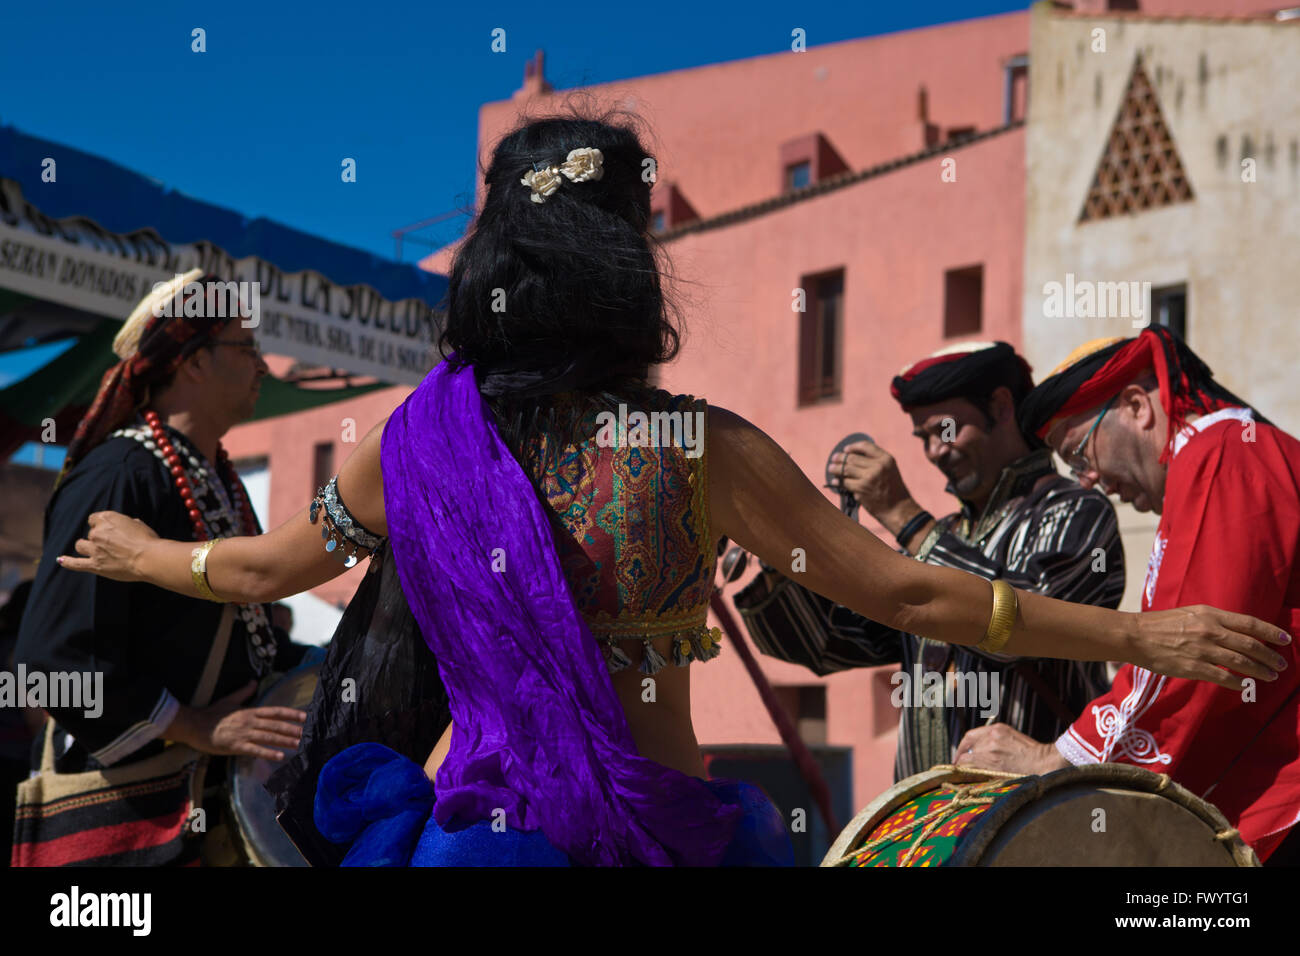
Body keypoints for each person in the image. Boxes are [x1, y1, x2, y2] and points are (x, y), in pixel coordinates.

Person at [59, 115, 1290, 867]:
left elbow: (273, 567)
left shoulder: (409, 443)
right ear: (620, 268)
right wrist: (1140, 631)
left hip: (479, 847)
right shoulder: (692, 448)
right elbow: (919, 595)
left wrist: (141, 556)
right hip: (672, 841)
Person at [955, 327, 1300, 864]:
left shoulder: (1222, 453)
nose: (1088, 481)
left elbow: (1194, 655)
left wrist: (1054, 756)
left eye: (1080, 454)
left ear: (1137, 406)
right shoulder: (1217, 458)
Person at [11, 272, 306, 866]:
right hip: (127, 823)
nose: (263, 367)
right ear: (192, 363)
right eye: (245, 348)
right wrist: (194, 725)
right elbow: (51, 660)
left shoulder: (215, 477)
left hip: (201, 804)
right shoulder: (118, 472)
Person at [738, 342, 1124, 781]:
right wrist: (781, 554)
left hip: (1038, 820)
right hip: (929, 825)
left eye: (945, 430)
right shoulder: (943, 536)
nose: (936, 452)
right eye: (923, 439)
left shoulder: (1077, 512)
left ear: (999, 407)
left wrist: (905, 516)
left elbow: (1021, 628)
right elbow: (832, 645)